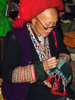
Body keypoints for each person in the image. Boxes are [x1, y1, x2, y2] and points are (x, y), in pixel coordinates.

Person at [1, 0, 73, 100]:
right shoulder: (16, 37)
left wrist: (61, 60)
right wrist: (40, 68)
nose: (51, 29)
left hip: (53, 82)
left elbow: (63, 50)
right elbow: (6, 73)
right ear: (34, 19)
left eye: (54, 24)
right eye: (47, 25)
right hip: (26, 87)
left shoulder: (54, 31)